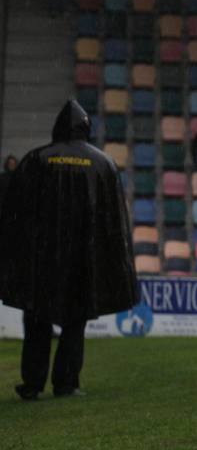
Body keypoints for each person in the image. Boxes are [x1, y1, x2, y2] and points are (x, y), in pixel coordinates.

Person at [0, 101, 136, 400]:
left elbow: (15, 215)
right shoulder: (102, 164)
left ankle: (33, 383)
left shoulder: (37, 159)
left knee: (37, 321)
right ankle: (66, 382)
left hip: (43, 260)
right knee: (75, 324)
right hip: (82, 261)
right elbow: (113, 222)